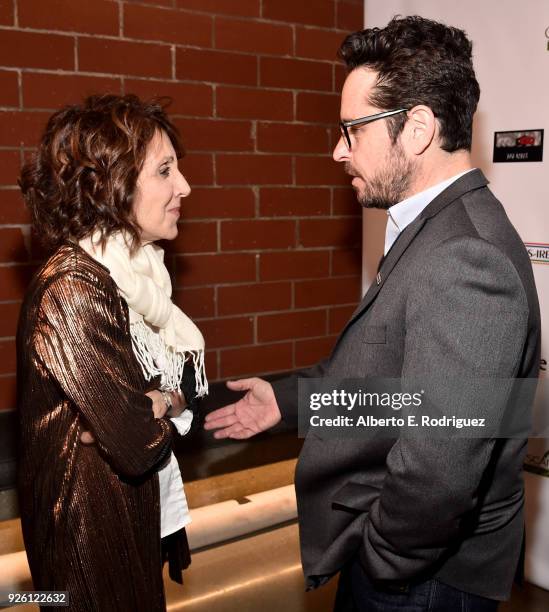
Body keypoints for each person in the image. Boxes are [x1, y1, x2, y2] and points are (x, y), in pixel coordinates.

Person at [204, 16, 541, 611]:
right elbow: (398, 391)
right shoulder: (435, 231)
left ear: (416, 129)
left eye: (351, 131)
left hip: (421, 583)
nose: (337, 150)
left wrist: (381, 556)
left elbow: (441, 469)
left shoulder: (467, 257)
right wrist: (287, 402)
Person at [17, 94, 207, 611]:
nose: (184, 187)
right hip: (85, 549)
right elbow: (135, 440)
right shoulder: (73, 288)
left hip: (127, 527)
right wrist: (164, 405)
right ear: (110, 183)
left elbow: (173, 397)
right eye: (165, 170)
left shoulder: (134, 278)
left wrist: (158, 400)